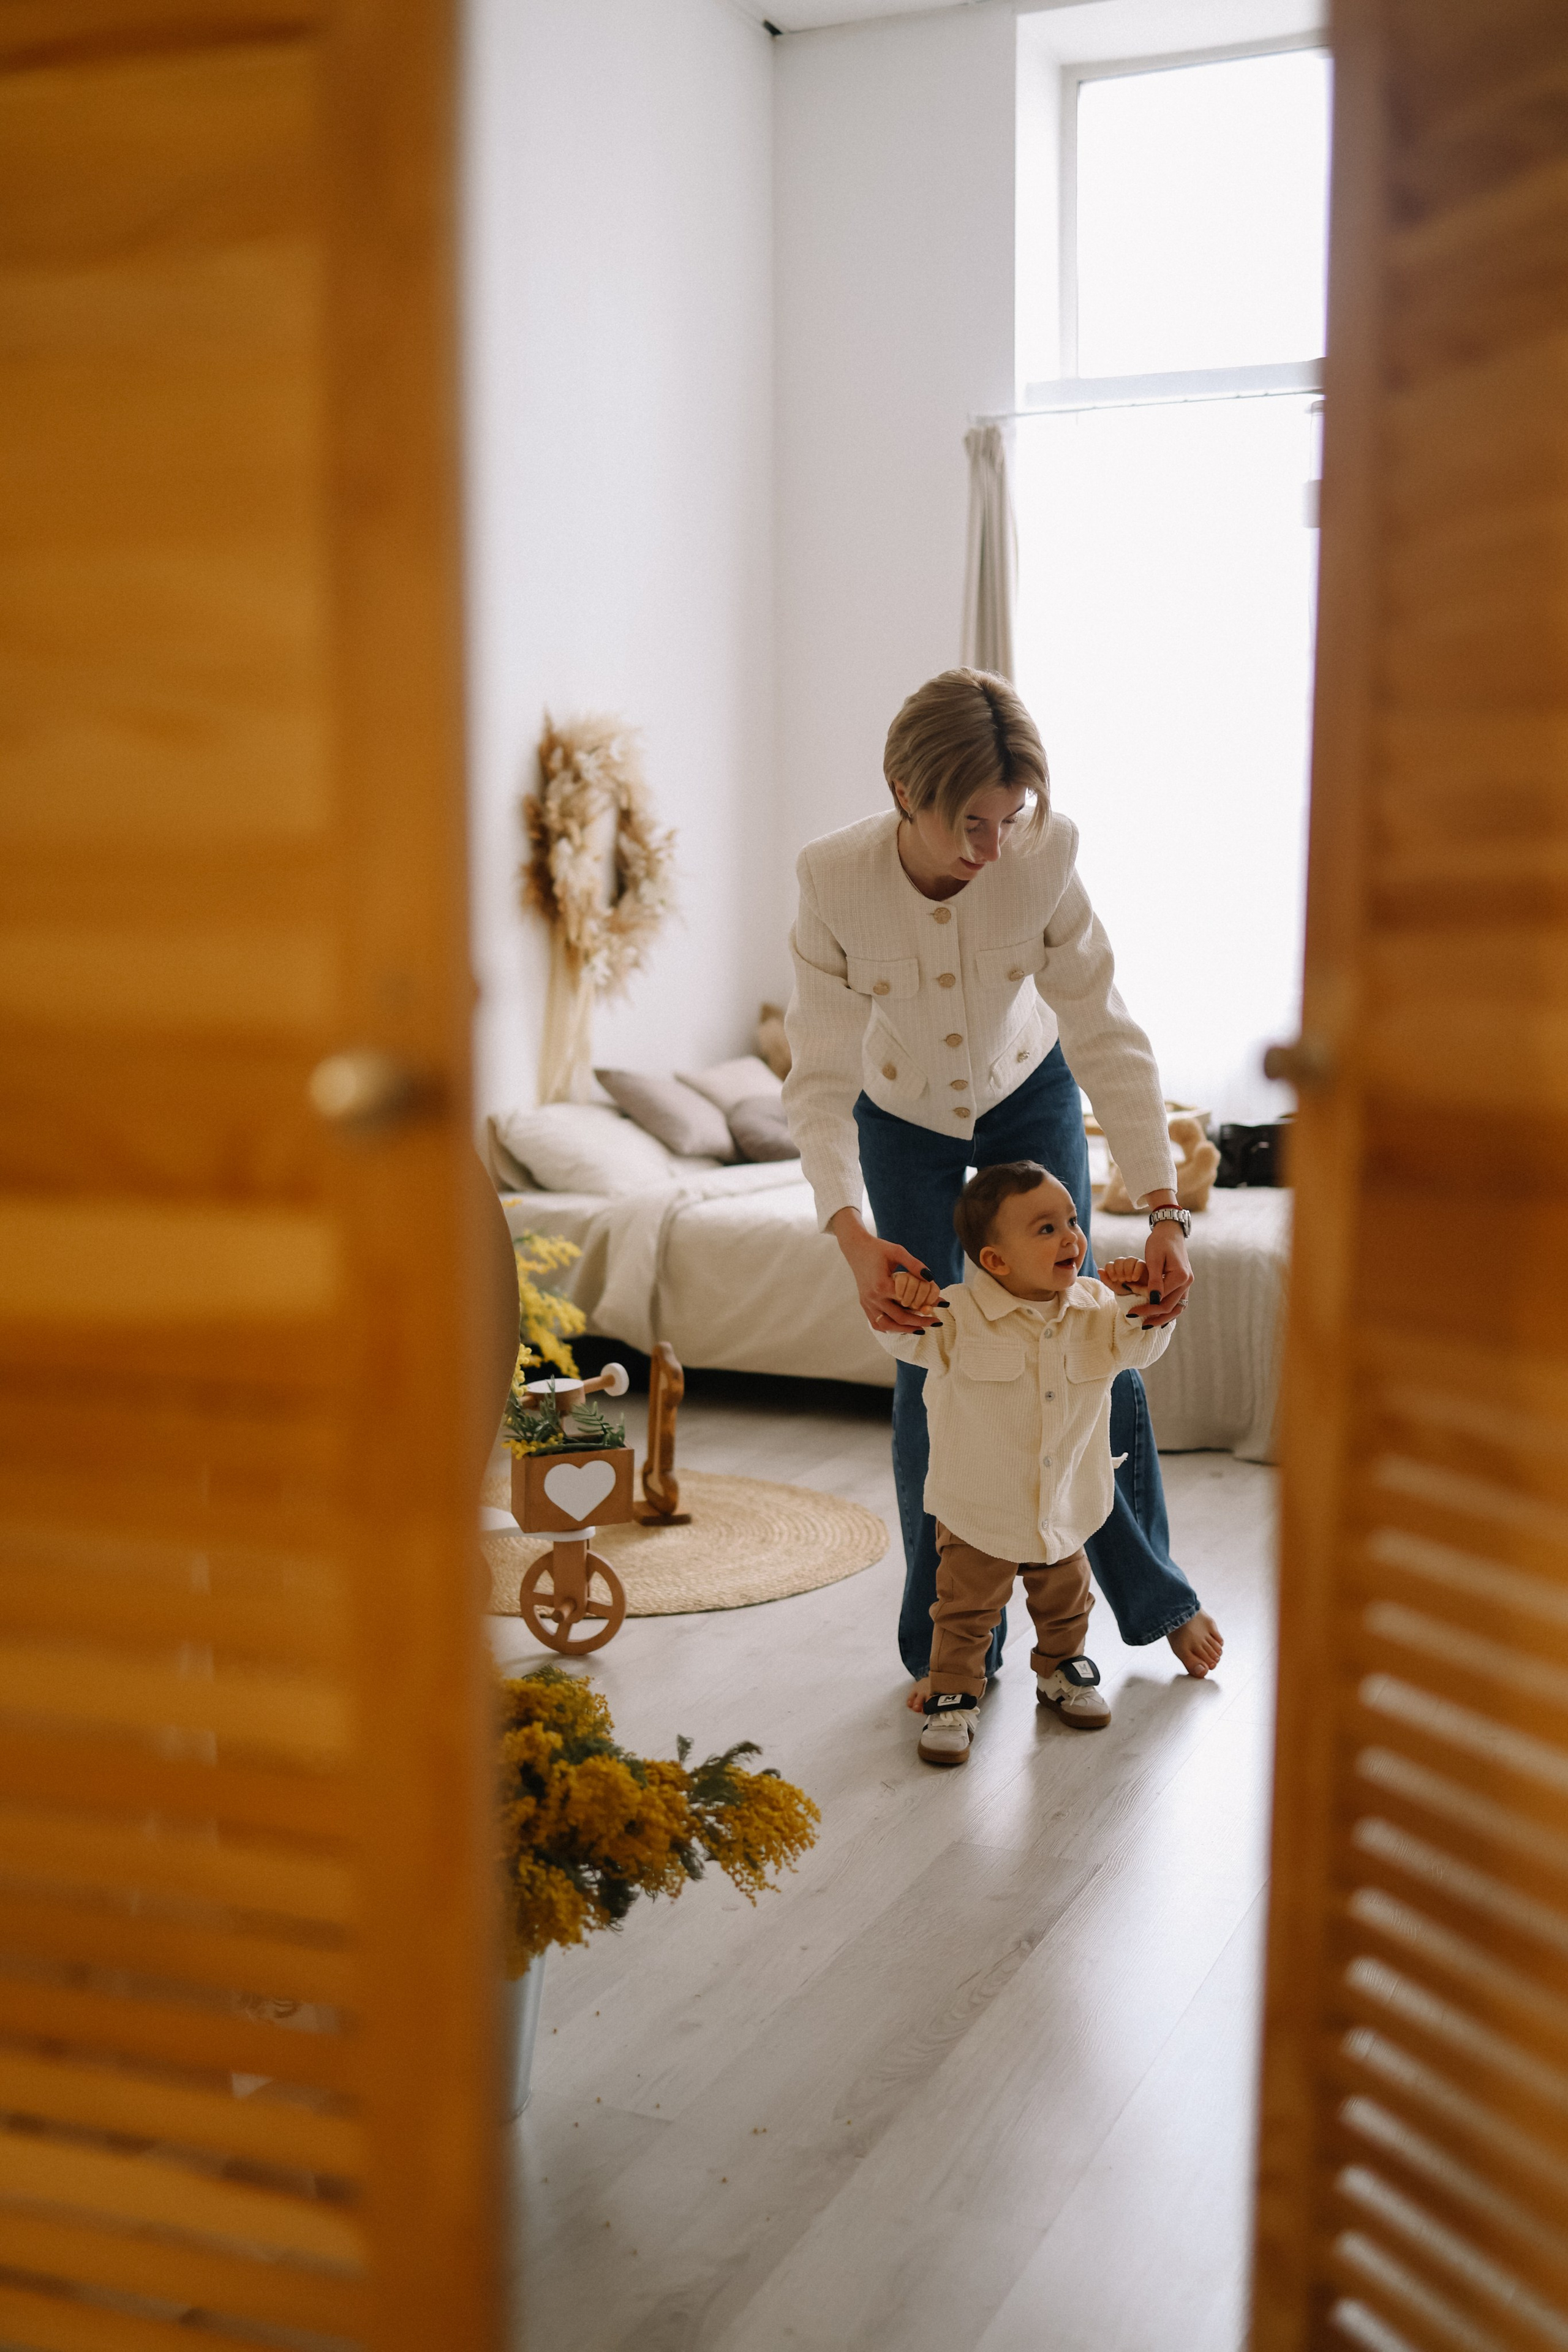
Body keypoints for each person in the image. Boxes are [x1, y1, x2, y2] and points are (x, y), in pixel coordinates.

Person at [782, 666, 1223, 1697]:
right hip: (900, 1115)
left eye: (1010, 819)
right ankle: (951, 1644)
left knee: (1085, 1330)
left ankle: (1154, 1599)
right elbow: (819, 1078)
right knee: (926, 1355)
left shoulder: (1045, 856)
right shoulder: (830, 879)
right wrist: (851, 1237)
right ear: (904, 790)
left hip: (1029, 1090)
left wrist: (1163, 1211)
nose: (992, 849)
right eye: (969, 825)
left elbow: (1108, 1031)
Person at [875, 1160, 1172, 1765]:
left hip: (1064, 1500)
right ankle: (954, 1695)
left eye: (1070, 1219)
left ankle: (1061, 1671)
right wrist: (901, 1298)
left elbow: (1143, 1345)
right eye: (1045, 1229)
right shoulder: (956, 1317)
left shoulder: (1097, 1308)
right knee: (963, 1613)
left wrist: (1140, 1301)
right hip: (978, 1507)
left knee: (1066, 1601)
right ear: (995, 1261)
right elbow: (902, 1339)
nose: (1070, 1237)